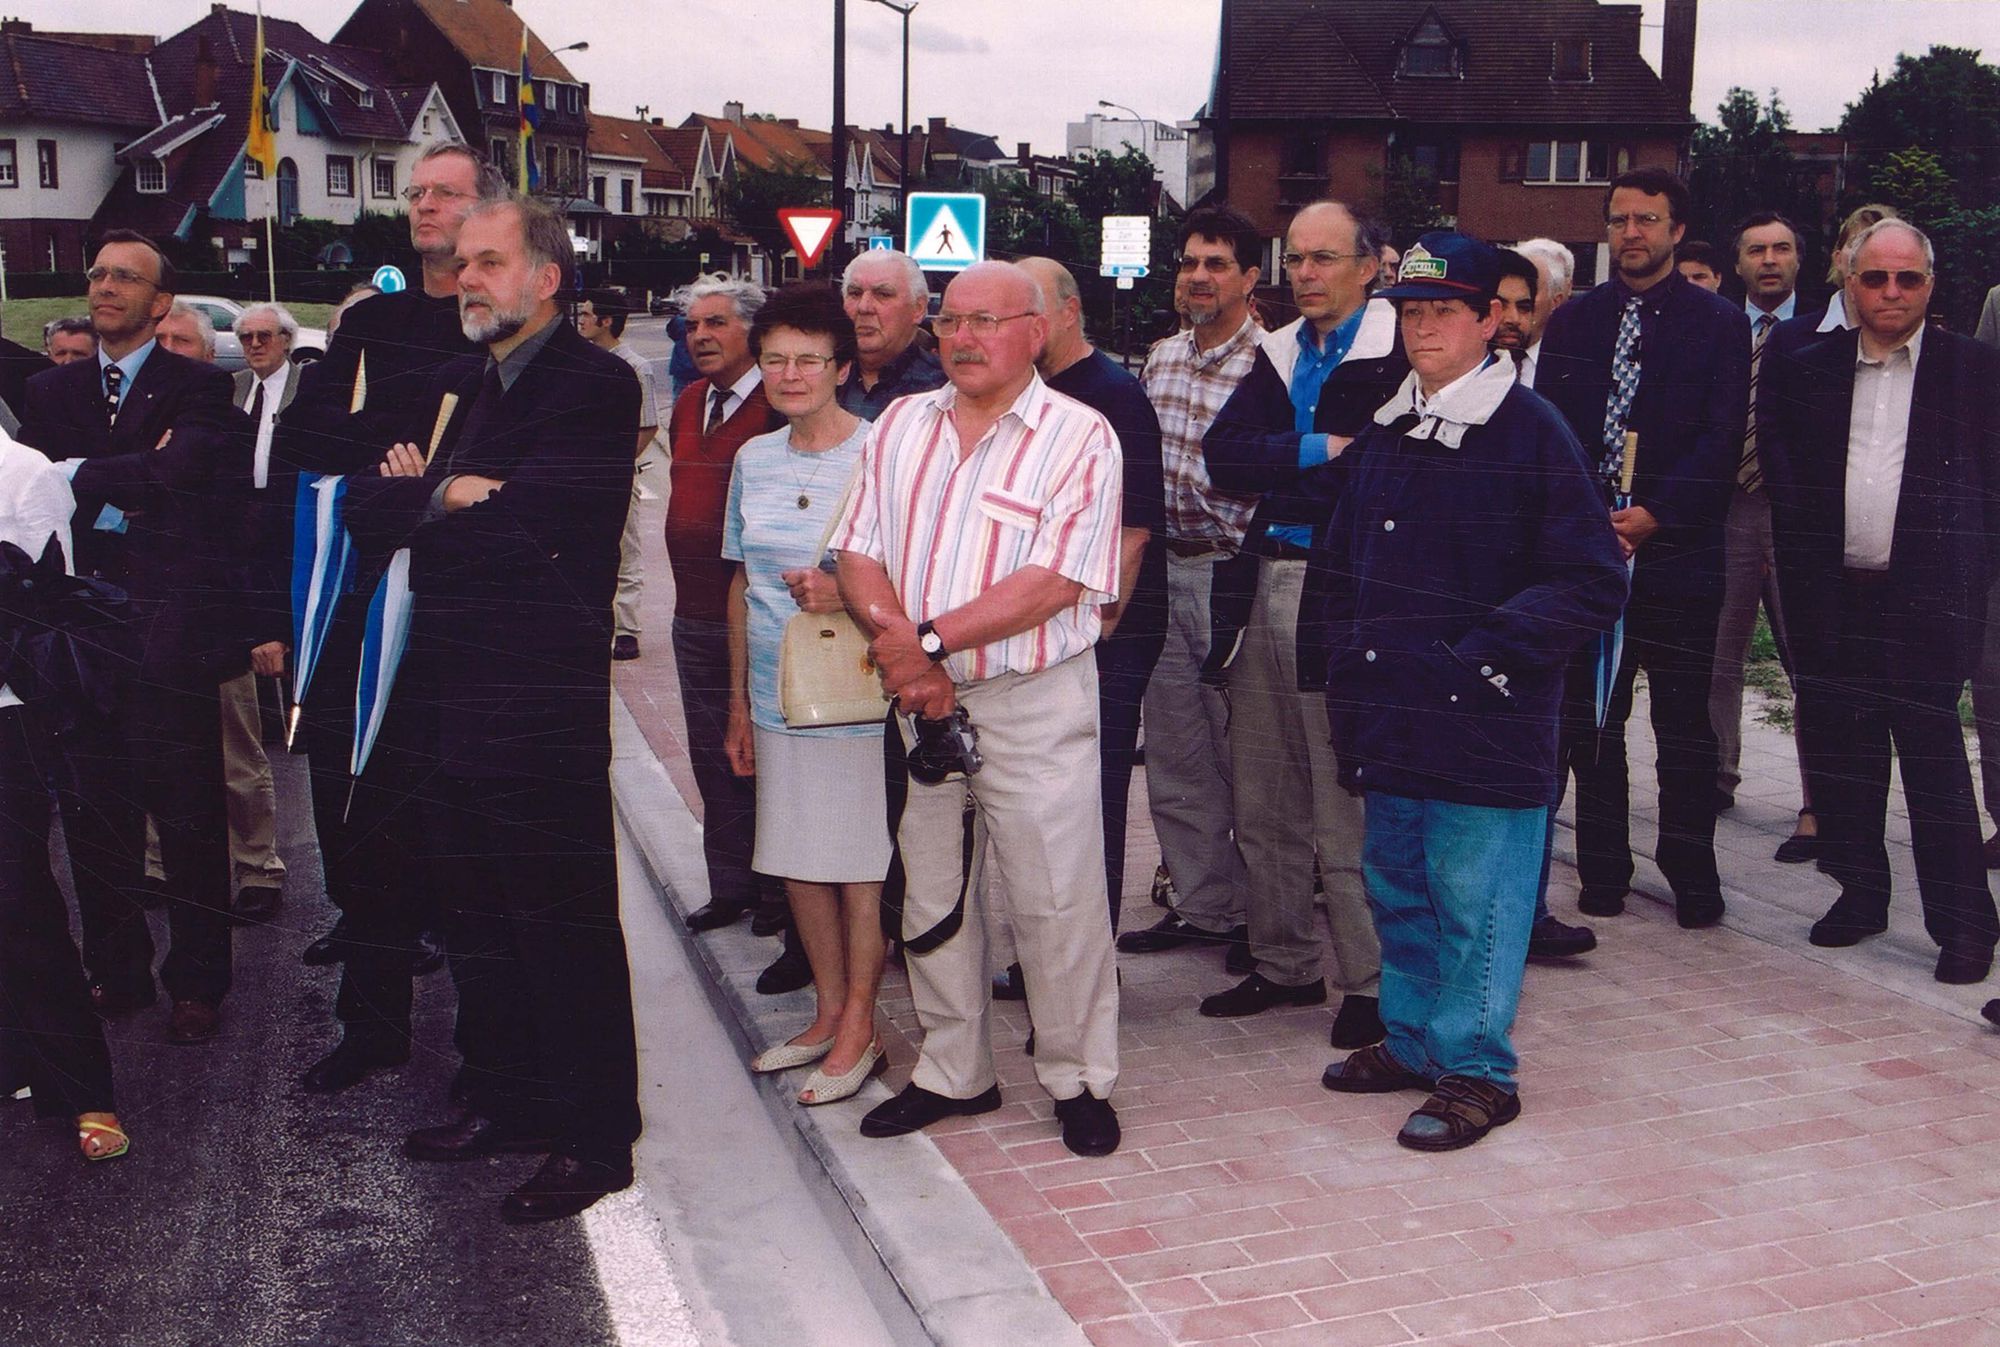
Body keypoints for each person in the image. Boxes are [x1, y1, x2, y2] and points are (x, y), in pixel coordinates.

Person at [344, 195, 644, 1222]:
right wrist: (445, 494)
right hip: (446, 697)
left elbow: (528, 531)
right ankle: (507, 1097)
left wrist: (432, 499)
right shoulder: (455, 383)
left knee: (558, 924)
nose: (462, 277)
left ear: (545, 279)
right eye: (460, 262)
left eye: (484, 262)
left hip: (535, 705)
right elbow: (361, 504)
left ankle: (595, 1136)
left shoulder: (595, 387)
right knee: (473, 916)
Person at [1317, 230, 1627, 1150]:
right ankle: (1413, 1042)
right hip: (1393, 715)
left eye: (1444, 310)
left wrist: (1483, 655)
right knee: (1400, 888)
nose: (1423, 329)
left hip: (1483, 721)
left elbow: (1592, 579)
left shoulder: (1530, 430)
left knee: (1476, 902)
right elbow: (1347, 560)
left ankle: (1479, 1070)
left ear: (1494, 321)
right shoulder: (1391, 420)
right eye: (1410, 311)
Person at [835, 261, 1125, 1158]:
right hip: (918, 699)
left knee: (1054, 896)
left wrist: (924, 646)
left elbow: (1056, 582)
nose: (961, 339)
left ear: (1036, 331)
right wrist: (907, 655)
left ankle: (1078, 1077)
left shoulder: (1081, 437)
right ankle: (956, 1071)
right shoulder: (898, 427)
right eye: (950, 323)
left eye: (985, 322)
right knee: (933, 891)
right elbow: (857, 551)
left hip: (1032, 700)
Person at [273, 140, 498, 1093]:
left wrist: (418, 482)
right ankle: (371, 1022)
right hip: (361, 607)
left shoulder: (503, 327)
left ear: (488, 210)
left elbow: (489, 480)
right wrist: (391, 476)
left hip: (459, 621)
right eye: (415, 193)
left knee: (460, 835)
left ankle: (489, 1057)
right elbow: (306, 447)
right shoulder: (375, 325)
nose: (423, 207)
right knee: (356, 818)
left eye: (445, 194)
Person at [1759, 218, 2000, 986]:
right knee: (1842, 757)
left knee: (1933, 764)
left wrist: (1970, 578)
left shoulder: (1975, 371)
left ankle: (1965, 928)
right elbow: (1784, 474)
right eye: (1874, 278)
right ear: (1850, 283)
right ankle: (1859, 894)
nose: (1890, 292)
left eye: (1907, 279)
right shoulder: (1800, 361)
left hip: (1929, 605)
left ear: (1931, 285)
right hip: (1833, 597)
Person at [19, 228, 244, 1045]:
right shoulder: (50, 395)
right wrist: (128, 474)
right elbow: (32, 502)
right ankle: (119, 971)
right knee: (93, 815)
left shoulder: (200, 387)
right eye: (99, 274)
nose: (106, 287)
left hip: (165, 634)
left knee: (186, 819)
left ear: (160, 302)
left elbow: (181, 473)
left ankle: (198, 981)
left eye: (127, 278)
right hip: (78, 638)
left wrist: (77, 473)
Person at [1198, 199, 1407, 1047]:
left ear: (1371, 265)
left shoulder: (1397, 350)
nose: (1307, 276)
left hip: (1341, 590)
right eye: (1298, 260)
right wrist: (1318, 448)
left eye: (1325, 259)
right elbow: (1223, 457)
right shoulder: (1281, 352)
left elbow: (1382, 470)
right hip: (1263, 581)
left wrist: (1284, 462)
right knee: (1265, 793)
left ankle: (1369, 982)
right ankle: (1282, 962)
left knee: (1339, 801)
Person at [1537, 168, 1750, 932]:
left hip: (1679, 549)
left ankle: (1690, 867)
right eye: (1620, 219)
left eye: (1648, 220)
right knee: (1594, 715)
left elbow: (1721, 438)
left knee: (1685, 723)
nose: (1633, 233)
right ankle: (1602, 868)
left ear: (1675, 229)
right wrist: (1586, 516)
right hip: (1592, 549)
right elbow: (1554, 431)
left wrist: (1658, 512)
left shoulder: (1717, 322)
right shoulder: (1574, 322)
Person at [721, 284, 891, 1106]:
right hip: (772, 689)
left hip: (853, 692)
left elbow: (911, 575)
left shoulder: (879, 454)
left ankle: (863, 1021)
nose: (790, 374)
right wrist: (736, 705)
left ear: (842, 368)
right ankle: (827, 1011)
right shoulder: (752, 460)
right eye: (776, 358)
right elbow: (739, 583)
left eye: (809, 359)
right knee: (795, 859)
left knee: (857, 863)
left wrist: (845, 593)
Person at [1117, 205, 1261, 969]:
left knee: (1248, 753)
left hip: (1235, 575)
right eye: (1190, 262)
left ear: (1249, 278)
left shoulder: (1272, 363)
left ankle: (1264, 918)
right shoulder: (1162, 358)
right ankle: (1205, 905)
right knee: (1175, 749)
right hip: (1164, 571)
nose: (1198, 277)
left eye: (1216, 264)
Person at [0, 436, 128, 1161]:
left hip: (10, 716)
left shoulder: (26, 471)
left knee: (20, 901)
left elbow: (49, 603)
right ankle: (16, 1060)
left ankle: (85, 1088)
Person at [667, 277, 788, 944]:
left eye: (716, 323)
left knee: (761, 755)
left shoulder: (775, 405)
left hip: (755, 614)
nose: (701, 336)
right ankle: (730, 886)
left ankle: (777, 894)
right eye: (692, 327)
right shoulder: (689, 401)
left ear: (751, 331)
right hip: (692, 615)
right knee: (712, 755)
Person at [1709, 212, 1821, 864]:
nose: (1770, 259)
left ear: (1798, 261)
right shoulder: (1719, 329)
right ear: (1740, 263)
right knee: (1717, 654)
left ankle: (1815, 803)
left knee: (1805, 660)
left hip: (1794, 512)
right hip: (1729, 507)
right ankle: (1716, 776)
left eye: (1782, 248)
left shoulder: (1825, 332)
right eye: (1757, 250)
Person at [215, 302, 298, 922]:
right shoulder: (233, 391)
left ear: (287, 341)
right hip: (242, 525)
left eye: (263, 335)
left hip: (287, 526)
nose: (252, 345)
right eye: (243, 336)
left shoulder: (304, 388)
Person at [577, 288, 662, 661]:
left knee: (626, 550)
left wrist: (614, 465)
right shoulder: (576, 363)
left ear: (606, 321)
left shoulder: (635, 367)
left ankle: (626, 629)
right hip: (580, 475)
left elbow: (648, 427)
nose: (579, 320)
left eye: (586, 314)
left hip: (615, 475)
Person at [837, 249, 944, 420]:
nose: (864, 307)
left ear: (918, 308)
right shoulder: (819, 378)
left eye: (883, 294)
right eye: (855, 293)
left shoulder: (944, 388)